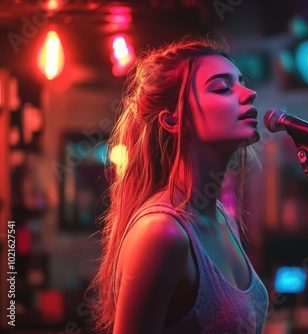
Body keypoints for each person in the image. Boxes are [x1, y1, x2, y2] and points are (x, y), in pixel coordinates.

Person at [88, 35, 268, 333]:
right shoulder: (162, 232)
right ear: (172, 119)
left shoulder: (222, 218)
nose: (249, 93)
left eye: (242, 83)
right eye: (223, 87)